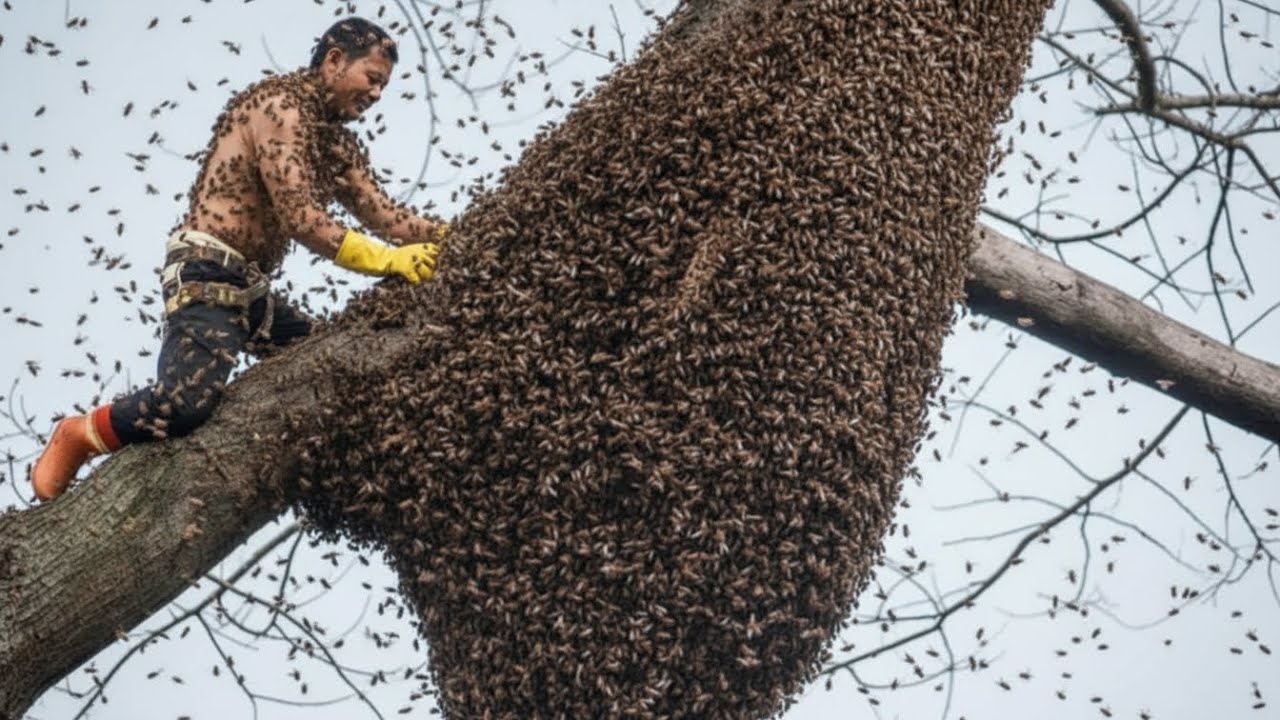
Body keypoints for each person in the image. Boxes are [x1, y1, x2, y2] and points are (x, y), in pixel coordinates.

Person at [31, 17, 448, 501]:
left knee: (336, 366)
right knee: (186, 404)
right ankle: (81, 433)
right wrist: (387, 260)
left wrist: (452, 236)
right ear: (335, 61)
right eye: (372, 79)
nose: (377, 95)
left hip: (251, 291)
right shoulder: (279, 107)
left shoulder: (335, 143)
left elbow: (386, 214)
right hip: (205, 273)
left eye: (384, 86)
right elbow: (302, 218)